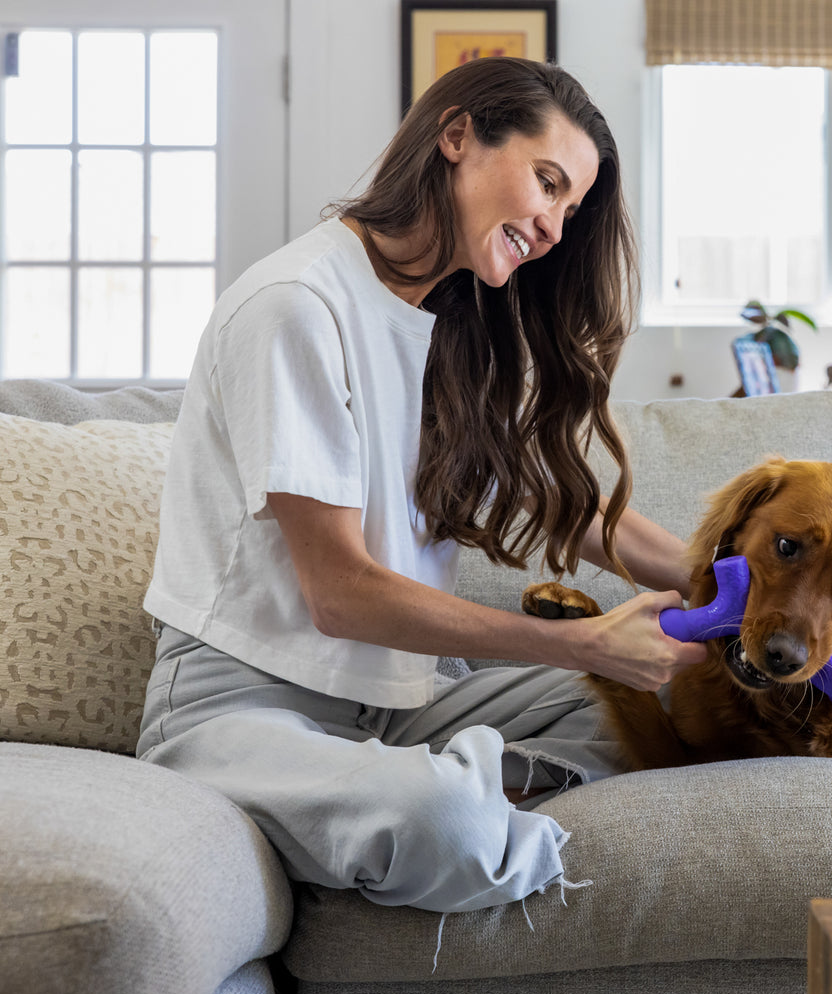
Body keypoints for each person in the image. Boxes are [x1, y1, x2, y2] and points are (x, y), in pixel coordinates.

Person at [135, 57, 707, 913]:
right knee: (441, 817)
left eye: (570, 207)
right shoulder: (297, 304)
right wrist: (582, 644)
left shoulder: (452, 323)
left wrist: (726, 584)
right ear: (456, 137)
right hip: (243, 707)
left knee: (680, 699)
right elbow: (343, 596)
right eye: (546, 183)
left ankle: (401, 791)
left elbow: (562, 504)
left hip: (401, 702)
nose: (553, 227)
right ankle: (439, 801)